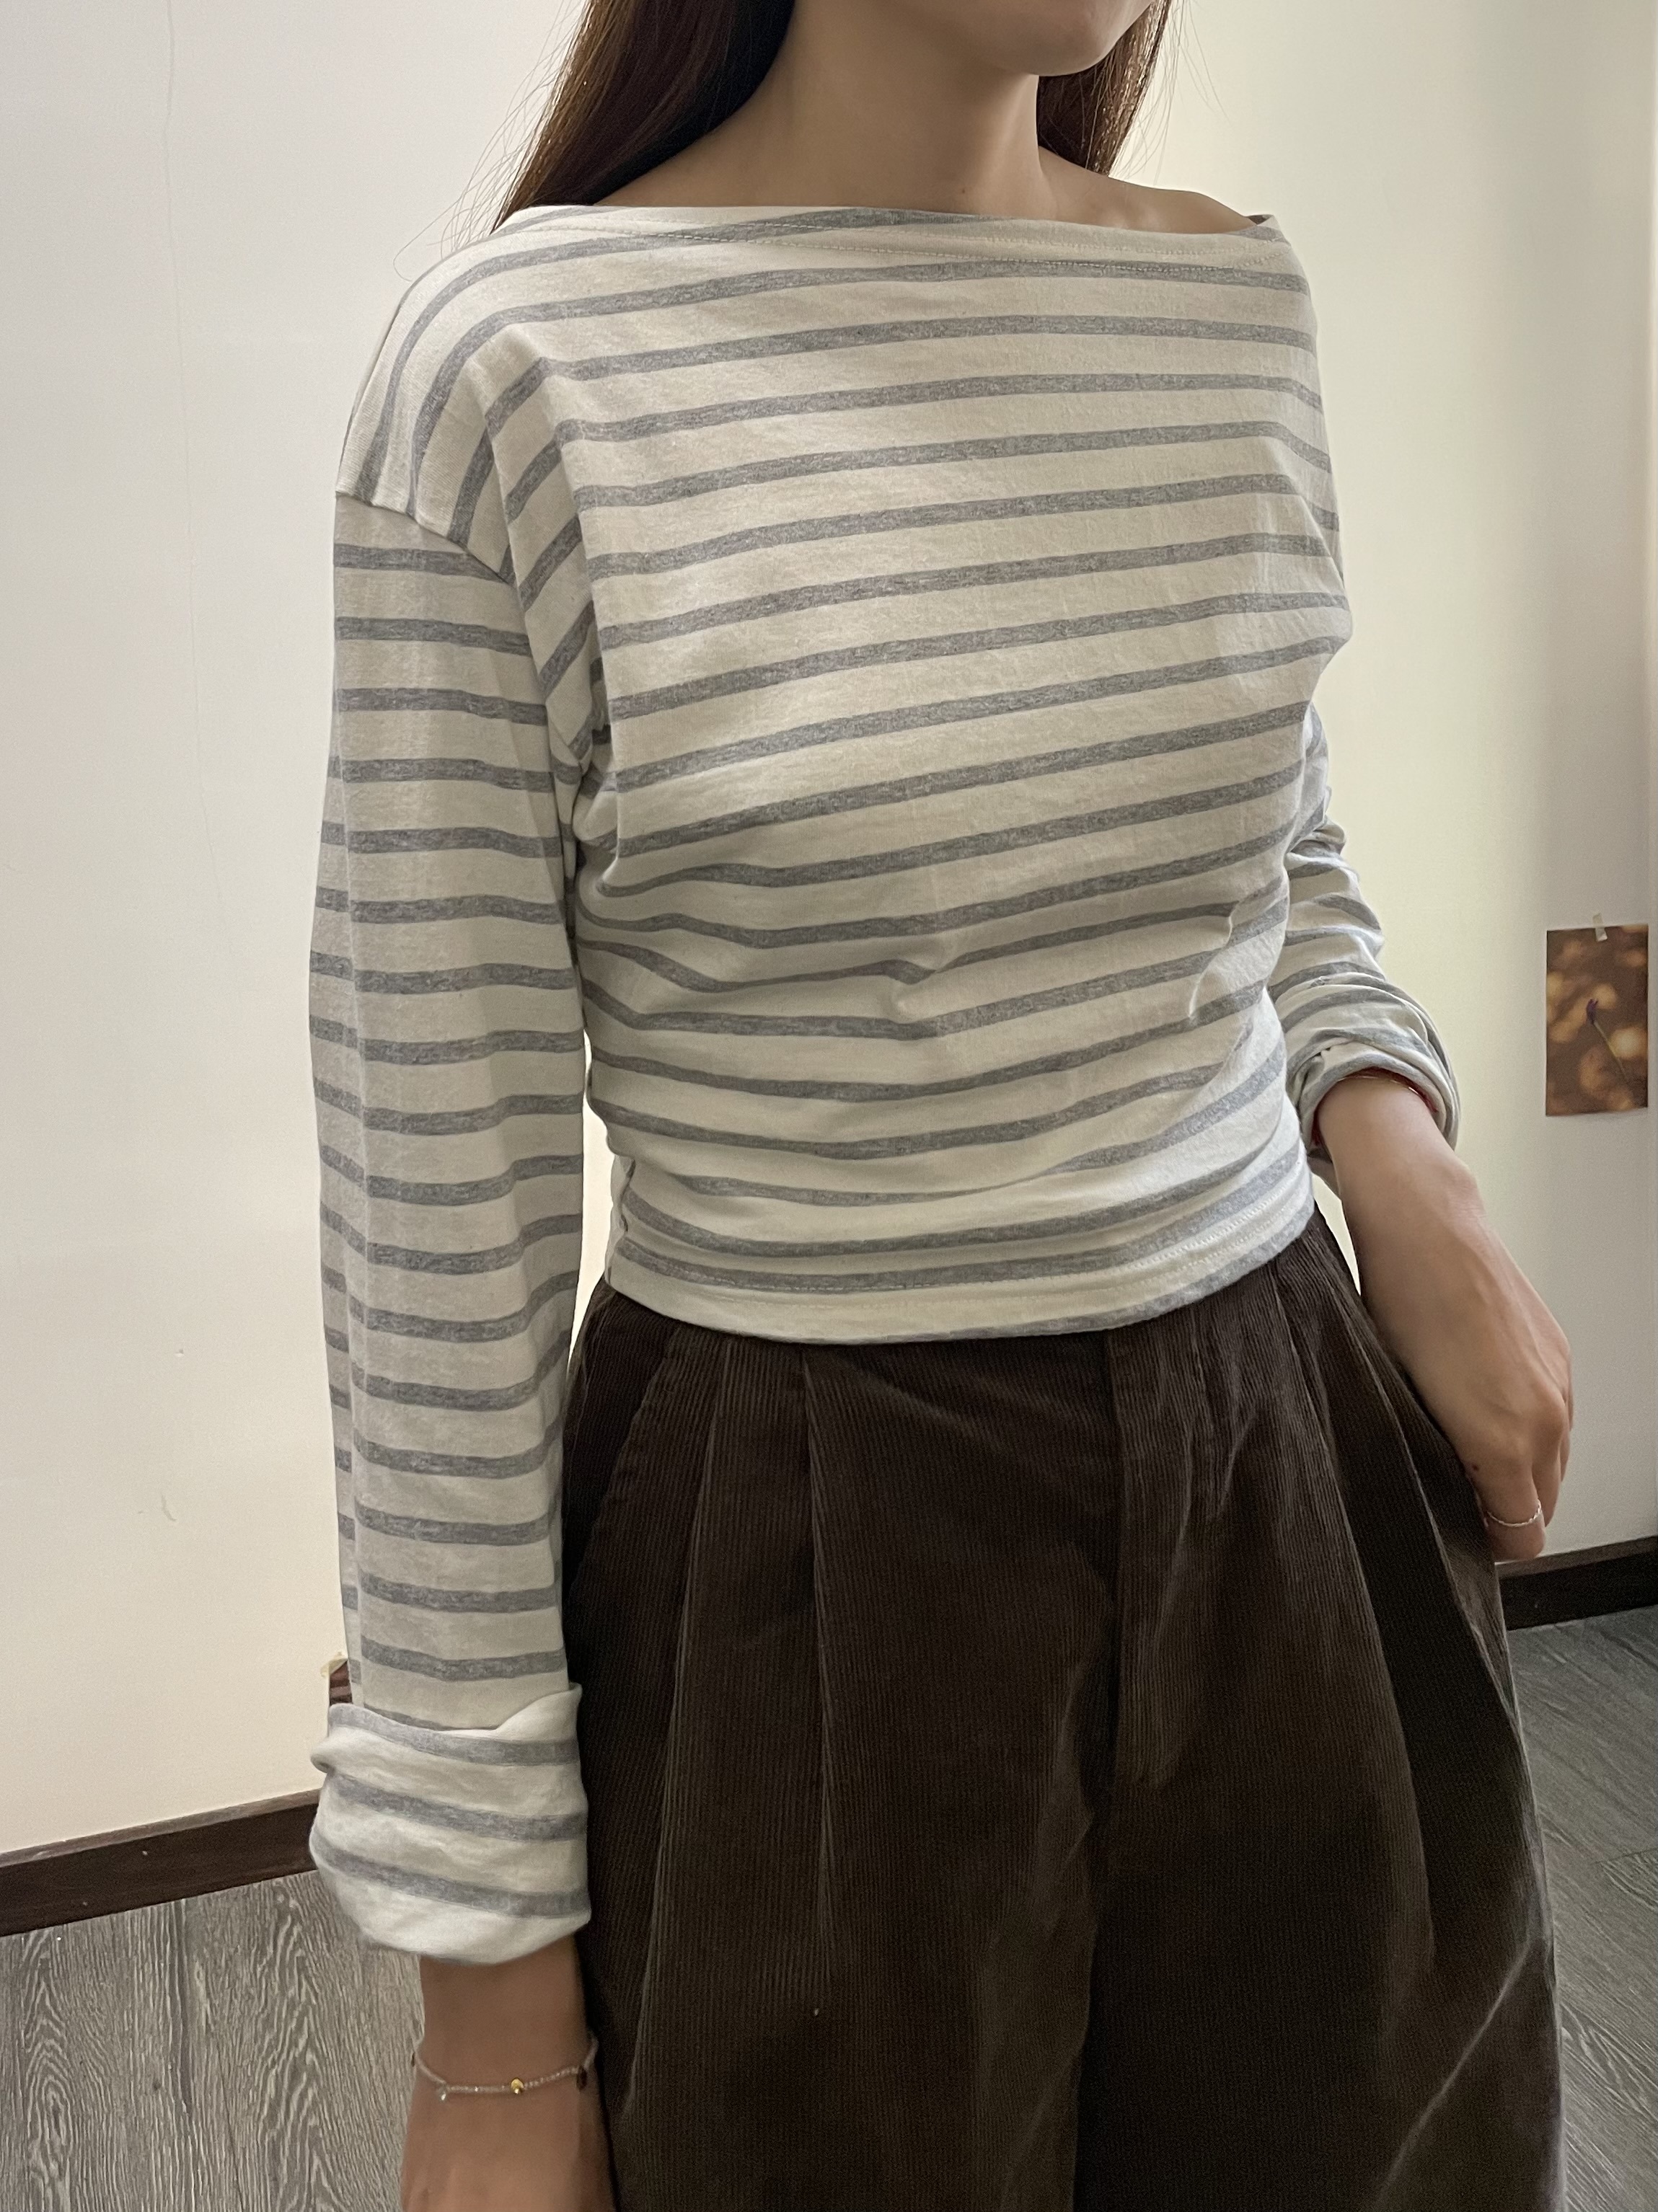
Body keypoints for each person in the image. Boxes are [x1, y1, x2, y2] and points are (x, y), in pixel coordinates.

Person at [304, 1, 1573, 2206]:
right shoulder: (512, 376)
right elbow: (436, 1226)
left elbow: (1268, 844)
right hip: (805, 1536)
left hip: (1297, 1489)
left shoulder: (1221, 304)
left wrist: (1395, 1144)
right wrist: (493, 2037)